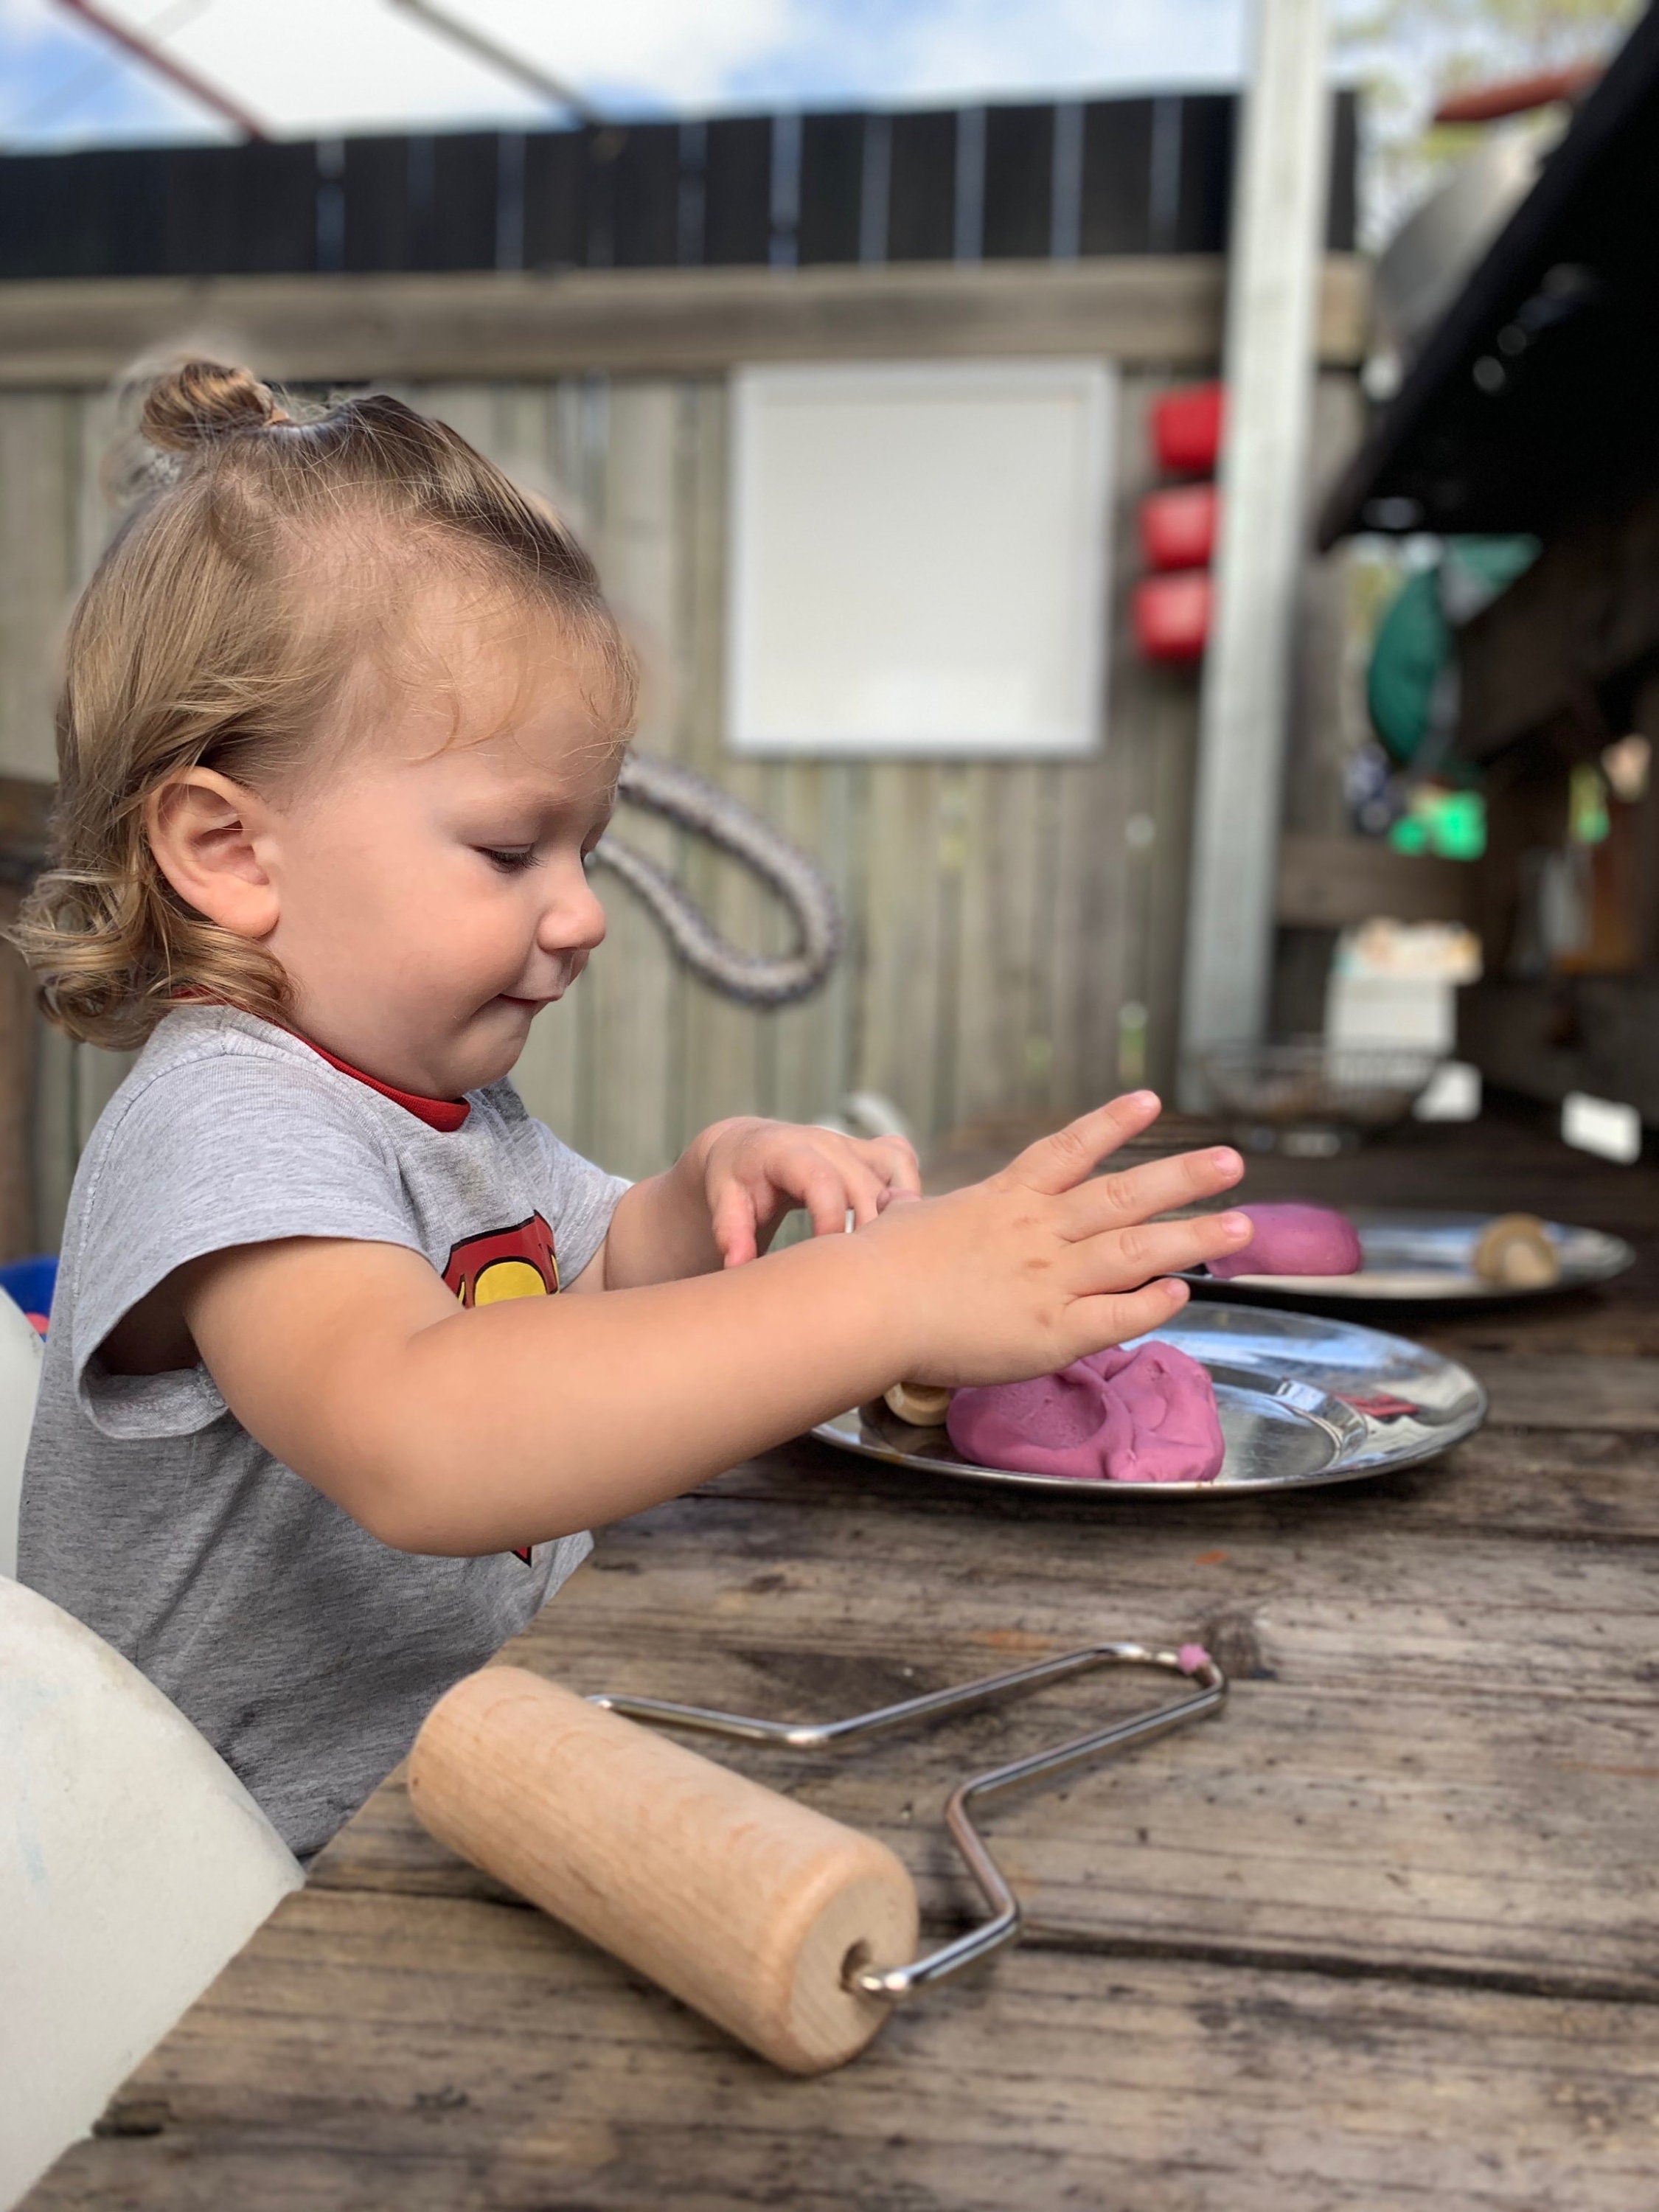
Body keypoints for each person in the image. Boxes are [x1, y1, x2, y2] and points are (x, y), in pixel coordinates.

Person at [12, 361, 1251, 1859]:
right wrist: (886, 1298)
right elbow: (421, 1434)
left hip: (451, 1789)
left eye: (586, 848)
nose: (586, 913)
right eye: (511, 848)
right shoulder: (224, 1117)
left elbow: (584, 1282)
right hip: (229, 1896)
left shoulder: (451, 1112)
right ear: (229, 850)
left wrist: (709, 1185)